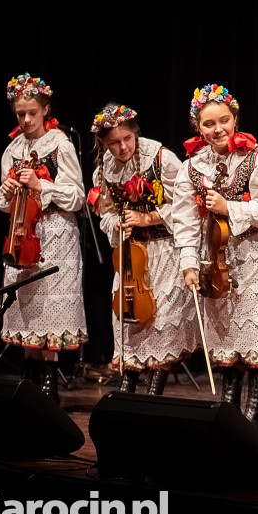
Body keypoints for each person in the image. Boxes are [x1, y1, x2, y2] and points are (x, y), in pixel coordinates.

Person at [173, 84, 258, 431]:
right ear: (197, 127)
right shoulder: (191, 166)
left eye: (224, 120)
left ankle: (255, 408)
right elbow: (184, 219)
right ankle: (229, 404)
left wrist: (228, 206)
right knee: (228, 330)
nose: (217, 129)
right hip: (218, 256)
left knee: (257, 331)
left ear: (235, 119)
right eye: (208, 124)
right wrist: (187, 264)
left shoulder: (255, 158)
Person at [89, 102, 197, 395]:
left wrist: (147, 217)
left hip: (164, 250)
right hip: (131, 255)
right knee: (128, 316)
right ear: (104, 144)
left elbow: (186, 205)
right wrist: (116, 223)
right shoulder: (104, 170)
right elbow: (105, 212)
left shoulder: (160, 158)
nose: (123, 147)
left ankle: (154, 392)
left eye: (127, 139)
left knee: (159, 317)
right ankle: (127, 385)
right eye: (114, 143)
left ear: (135, 133)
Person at [0, 73, 87, 404]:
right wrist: (6, 192)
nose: (25, 119)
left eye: (32, 113)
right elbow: (4, 204)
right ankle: (29, 382)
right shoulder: (12, 148)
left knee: (50, 308)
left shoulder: (60, 144)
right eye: (20, 113)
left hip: (55, 236)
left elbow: (76, 196)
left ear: (45, 109)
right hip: (23, 233)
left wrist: (41, 186)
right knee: (27, 309)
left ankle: (48, 387)